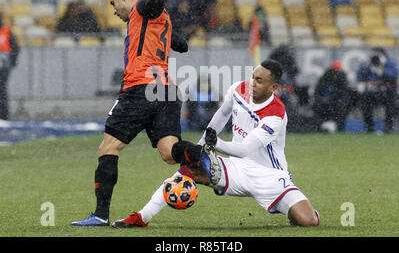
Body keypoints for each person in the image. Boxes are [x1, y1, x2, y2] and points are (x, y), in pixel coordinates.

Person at [71, 0, 202, 227]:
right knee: (170, 152)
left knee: (108, 148)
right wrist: (169, 37)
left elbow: (155, 1)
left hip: (142, 89)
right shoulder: (157, 21)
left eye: (113, 3)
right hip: (167, 91)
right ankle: (203, 155)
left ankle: (100, 215)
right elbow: (183, 44)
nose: (114, 10)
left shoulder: (142, 7)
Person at [112, 60, 319, 228]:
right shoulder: (239, 90)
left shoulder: (276, 114)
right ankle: (142, 216)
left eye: (260, 81)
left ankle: (293, 210)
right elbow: (222, 113)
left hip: (270, 176)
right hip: (237, 169)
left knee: (307, 221)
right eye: (253, 77)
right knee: (191, 167)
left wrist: (216, 143)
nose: (253, 83)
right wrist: (202, 146)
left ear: (273, 87)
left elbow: (246, 148)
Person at [357, 49, 398, 133]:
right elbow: (360, 77)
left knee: (391, 104)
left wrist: (382, 71)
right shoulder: (367, 63)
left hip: (387, 92)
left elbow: (394, 76)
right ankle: (369, 128)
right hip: (372, 93)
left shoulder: (390, 63)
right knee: (365, 103)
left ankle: (388, 127)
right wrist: (369, 68)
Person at [312, 61, 357, 132]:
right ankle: (319, 127)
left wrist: (330, 99)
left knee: (341, 107)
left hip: (336, 101)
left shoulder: (342, 79)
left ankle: (338, 128)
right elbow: (317, 91)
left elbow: (342, 92)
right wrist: (321, 99)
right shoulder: (324, 78)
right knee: (317, 106)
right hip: (323, 102)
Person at [0, 14, 20, 120]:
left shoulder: (6, 32)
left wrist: (13, 61)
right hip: (5, 64)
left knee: (2, 88)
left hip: (4, 65)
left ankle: (3, 114)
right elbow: (15, 47)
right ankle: (3, 114)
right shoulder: (6, 32)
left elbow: (15, 47)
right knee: (2, 89)